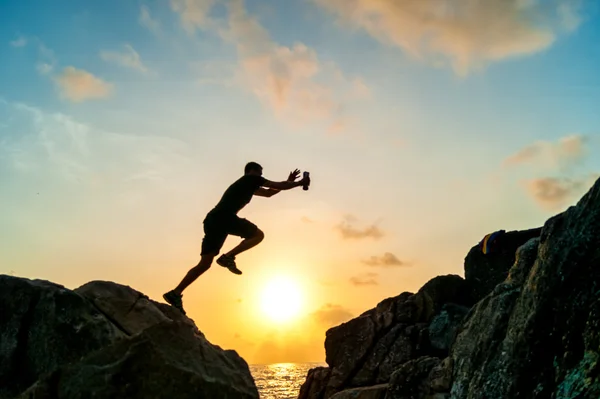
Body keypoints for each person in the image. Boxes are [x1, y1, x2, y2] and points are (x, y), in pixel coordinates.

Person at [163, 161, 310, 314]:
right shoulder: (251, 179)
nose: (261, 175)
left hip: (213, 220)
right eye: (260, 172)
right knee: (258, 235)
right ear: (254, 170)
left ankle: (175, 293)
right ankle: (228, 257)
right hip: (224, 217)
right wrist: (300, 183)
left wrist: (290, 182)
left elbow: (269, 193)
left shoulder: (247, 184)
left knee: (205, 264)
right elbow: (278, 185)